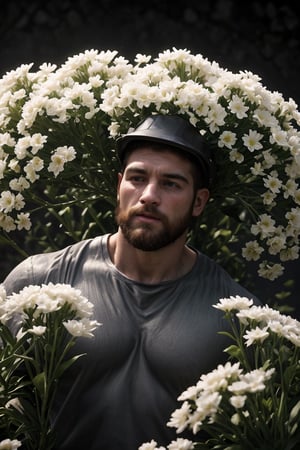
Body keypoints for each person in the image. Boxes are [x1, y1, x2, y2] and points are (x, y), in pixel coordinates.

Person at [3, 114, 259, 450]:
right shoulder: (39, 281)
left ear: (199, 201)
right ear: (119, 185)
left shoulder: (240, 316)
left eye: (171, 184)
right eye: (137, 178)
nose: (149, 195)